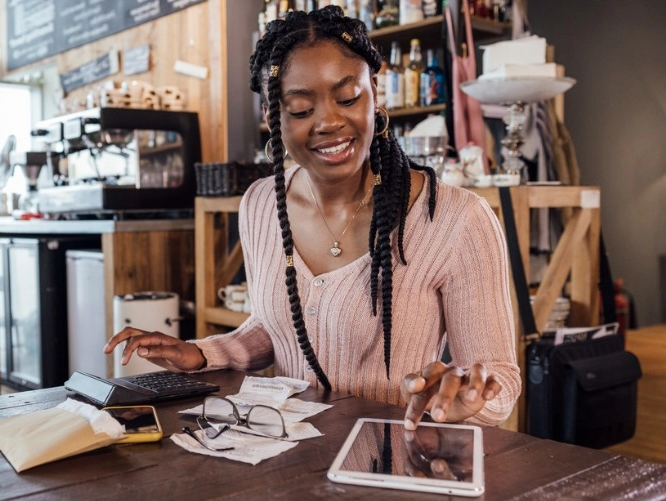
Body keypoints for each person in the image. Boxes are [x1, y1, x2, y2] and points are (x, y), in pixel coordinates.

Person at [105, 6, 520, 429]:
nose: (329, 121)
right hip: (289, 459)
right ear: (276, 118)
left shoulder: (456, 220)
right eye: (302, 110)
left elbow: (499, 382)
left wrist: (467, 396)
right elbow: (279, 327)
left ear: (374, 92)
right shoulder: (262, 204)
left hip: (395, 464)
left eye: (348, 98)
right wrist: (201, 353)